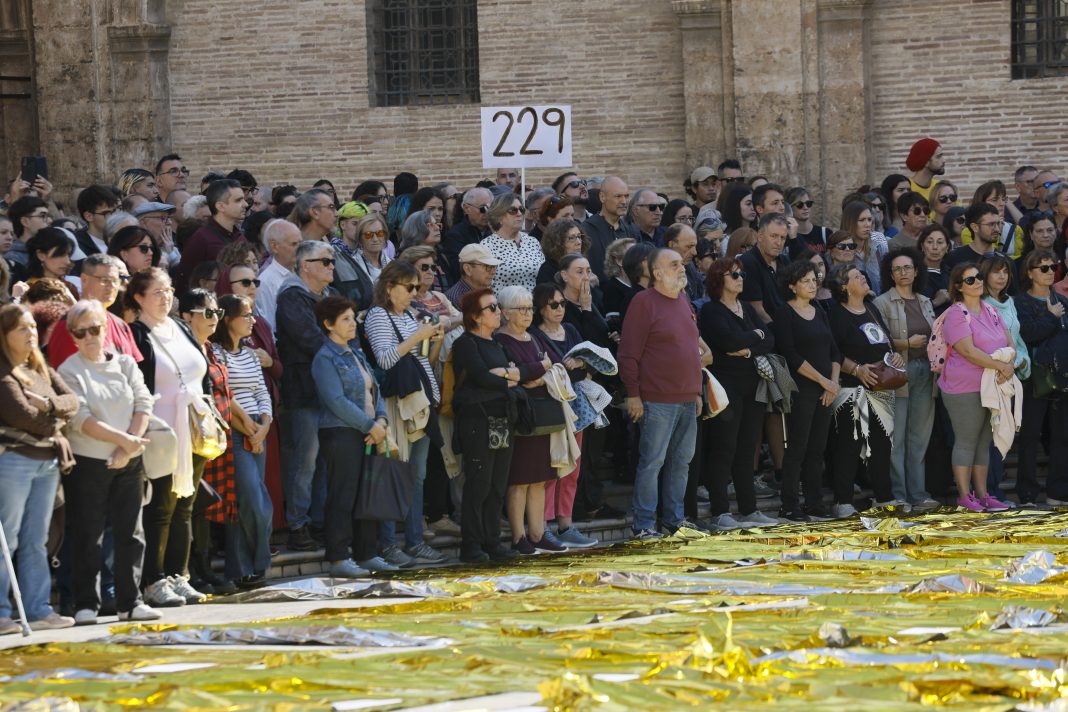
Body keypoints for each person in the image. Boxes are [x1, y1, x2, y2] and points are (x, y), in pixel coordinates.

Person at [57, 300, 159, 624]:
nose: (89, 336)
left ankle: (131, 602)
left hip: (129, 459)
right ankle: (85, 603)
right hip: (88, 461)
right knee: (89, 534)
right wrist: (123, 442)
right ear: (72, 336)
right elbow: (80, 419)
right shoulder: (68, 371)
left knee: (132, 532)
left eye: (95, 328)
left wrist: (127, 447)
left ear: (106, 329)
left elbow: (144, 403)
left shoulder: (126, 363)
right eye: (80, 331)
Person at [126, 268, 210, 607]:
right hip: (160, 431)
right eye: (157, 292)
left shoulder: (179, 327)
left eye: (169, 290)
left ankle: (179, 574)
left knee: (185, 505)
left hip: (191, 429)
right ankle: (154, 580)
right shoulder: (137, 333)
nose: (165, 297)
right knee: (160, 507)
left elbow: (201, 374)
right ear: (139, 297)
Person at [0, 304, 78, 633]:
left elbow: (72, 401)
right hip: (15, 460)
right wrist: (56, 420)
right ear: (4, 335)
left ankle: (37, 608)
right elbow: (20, 415)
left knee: (36, 539)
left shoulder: (39, 366)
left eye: (33, 326)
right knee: (8, 537)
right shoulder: (3, 371)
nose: (31, 333)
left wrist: (49, 406)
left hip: (47, 462)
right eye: (22, 329)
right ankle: (2, 612)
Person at [364, 260, 448, 567]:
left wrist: (433, 341)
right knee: (394, 473)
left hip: (422, 403)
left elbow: (425, 361)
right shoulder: (378, 315)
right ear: (389, 287)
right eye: (409, 287)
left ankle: (414, 541)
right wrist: (417, 336)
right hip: (398, 404)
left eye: (417, 287)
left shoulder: (410, 315)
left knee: (417, 476)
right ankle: (388, 544)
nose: (415, 292)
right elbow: (386, 359)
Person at [619, 248, 704, 538]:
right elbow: (629, 353)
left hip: (687, 399)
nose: (682, 269)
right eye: (675, 264)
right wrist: (633, 394)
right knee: (652, 462)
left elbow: (691, 350)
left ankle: (674, 521)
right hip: (655, 400)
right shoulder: (644, 302)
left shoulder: (683, 300)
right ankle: (643, 525)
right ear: (657, 272)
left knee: (681, 463)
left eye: (682, 264)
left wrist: (697, 392)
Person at [310, 296, 392, 576]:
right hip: (341, 433)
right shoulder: (325, 358)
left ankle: (367, 552)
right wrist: (370, 425)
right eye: (345, 319)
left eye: (352, 317)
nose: (352, 323)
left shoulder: (355, 352)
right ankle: (338, 557)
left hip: (368, 430)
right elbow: (335, 400)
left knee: (366, 494)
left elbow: (375, 390)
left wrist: (380, 419)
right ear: (328, 324)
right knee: (342, 495)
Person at [699, 257, 779, 528]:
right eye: (734, 274)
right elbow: (726, 341)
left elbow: (769, 338)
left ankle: (749, 508)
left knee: (748, 448)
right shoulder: (711, 311)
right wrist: (754, 337)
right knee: (724, 447)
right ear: (719, 279)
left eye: (741, 273)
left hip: (752, 384)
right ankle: (720, 511)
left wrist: (747, 348)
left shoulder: (745, 307)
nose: (740, 277)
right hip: (726, 386)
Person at [493, 286, 567, 554]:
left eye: (529, 308)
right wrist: (539, 369)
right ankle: (518, 536)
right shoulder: (500, 340)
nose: (527, 314)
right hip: (520, 417)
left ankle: (538, 533)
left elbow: (551, 366)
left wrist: (535, 372)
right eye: (521, 309)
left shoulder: (533, 338)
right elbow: (513, 376)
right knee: (519, 480)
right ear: (506, 312)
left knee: (539, 479)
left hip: (542, 415)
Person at [824, 263, 903, 513]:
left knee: (881, 444)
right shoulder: (836, 314)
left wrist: (895, 357)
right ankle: (843, 501)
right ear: (844, 287)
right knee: (849, 443)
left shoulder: (871, 309)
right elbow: (833, 351)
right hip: (850, 389)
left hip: (879, 387)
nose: (863, 277)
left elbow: (886, 342)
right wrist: (857, 369)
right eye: (856, 276)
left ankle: (883, 496)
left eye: (862, 274)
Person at [276, 240, 338, 551]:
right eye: (324, 261)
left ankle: (321, 522)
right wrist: (340, 352)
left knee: (324, 461)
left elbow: (347, 332)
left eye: (332, 261)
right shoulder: (292, 297)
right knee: (306, 462)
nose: (331, 266)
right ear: (305, 266)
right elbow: (310, 338)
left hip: (328, 390)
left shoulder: (328, 297)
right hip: (303, 391)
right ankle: (298, 525)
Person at [451, 288, 521, 563]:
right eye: (491, 308)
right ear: (475, 317)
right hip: (476, 420)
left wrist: (503, 375)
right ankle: (471, 545)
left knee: (497, 485)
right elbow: (481, 376)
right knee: (478, 483)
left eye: (497, 306)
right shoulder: (466, 344)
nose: (498, 311)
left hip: (502, 418)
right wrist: (508, 376)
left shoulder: (498, 344)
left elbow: (521, 373)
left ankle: (493, 542)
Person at [938, 263, 1014, 512]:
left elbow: (1009, 342)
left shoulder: (991, 310)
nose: (977, 282)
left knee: (983, 442)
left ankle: (983, 495)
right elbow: (968, 351)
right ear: (958, 287)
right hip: (963, 387)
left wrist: (1009, 364)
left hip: (990, 384)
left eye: (979, 277)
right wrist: (1000, 367)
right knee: (966, 441)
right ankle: (964, 496)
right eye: (970, 280)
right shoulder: (955, 314)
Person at [210, 295, 273, 588]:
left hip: (258, 430)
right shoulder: (215, 352)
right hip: (234, 430)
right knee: (248, 501)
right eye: (246, 315)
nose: (252, 320)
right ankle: (248, 565)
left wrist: (264, 425)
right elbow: (223, 394)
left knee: (255, 501)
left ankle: (247, 568)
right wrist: (248, 429)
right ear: (228, 319)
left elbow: (262, 390)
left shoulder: (249, 353)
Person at [530, 283, 599, 548]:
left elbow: (589, 358)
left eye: (562, 304)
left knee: (573, 468)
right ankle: (543, 525)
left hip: (576, 408)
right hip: (551, 409)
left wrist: (581, 363)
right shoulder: (535, 335)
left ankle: (565, 524)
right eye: (553, 305)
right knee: (551, 468)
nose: (559, 309)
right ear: (541, 308)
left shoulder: (570, 329)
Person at [773, 260, 842, 521]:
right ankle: (789, 504)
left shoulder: (820, 310)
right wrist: (824, 382)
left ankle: (814, 502)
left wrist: (832, 383)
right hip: (801, 389)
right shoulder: (784, 313)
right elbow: (790, 354)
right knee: (798, 448)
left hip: (826, 389)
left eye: (814, 280)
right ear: (792, 286)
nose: (812, 285)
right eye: (805, 281)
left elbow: (834, 351)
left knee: (817, 448)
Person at [873, 248, 938, 509]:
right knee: (897, 437)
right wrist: (906, 343)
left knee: (919, 436)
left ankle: (919, 494)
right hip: (898, 373)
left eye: (907, 268)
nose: (903, 273)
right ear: (890, 274)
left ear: (916, 271)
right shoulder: (881, 302)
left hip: (926, 371)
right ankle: (899, 494)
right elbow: (879, 341)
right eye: (897, 269)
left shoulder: (925, 301)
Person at [1013, 250, 1068, 506]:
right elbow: (1028, 335)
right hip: (1033, 378)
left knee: (1061, 437)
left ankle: (1058, 492)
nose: (1049, 272)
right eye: (1042, 268)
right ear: (1030, 272)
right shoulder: (1020, 302)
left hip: (1061, 378)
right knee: (1030, 436)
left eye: (1052, 267)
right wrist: (1051, 317)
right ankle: (1027, 493)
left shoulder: (1061, 301)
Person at [175, 179, 247, 292]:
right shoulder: (201, 240)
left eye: (244, 199)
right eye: (238, 200)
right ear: (221, 206)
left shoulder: (240, 237)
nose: (245, 204)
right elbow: (185, 284)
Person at [480, 193, 543, 293]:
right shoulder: (487, 246)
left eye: (521, 209)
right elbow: (483, 285)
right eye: (513, 210)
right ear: (499, 216)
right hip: (504, 306)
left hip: (534, 305)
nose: (519, 214)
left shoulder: (532, 241)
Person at [739, 213, 790, 324]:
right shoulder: (748, 262)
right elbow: (757, 311)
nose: (779, 242)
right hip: (766, 332)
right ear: (760, 236)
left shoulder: (785, 261)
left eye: (783, 238)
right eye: (773, 236)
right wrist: (782, 334)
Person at [255, 219, 302, 333]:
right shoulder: (266, 282)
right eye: (294, 244)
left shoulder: (303, 271)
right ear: (275, 246)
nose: (300, 249)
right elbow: (269, 326)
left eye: (301, 243)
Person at [582, 176, 631, 283]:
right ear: (602, 197)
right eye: (618, 196)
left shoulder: (631, 230)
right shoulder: (585, 231)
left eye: (626, 196)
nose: (624, 201)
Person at [441, 187, 492, 283]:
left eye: (490, 208)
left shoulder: (495, 231)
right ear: (466, 208)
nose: (487, 213)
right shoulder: (455, 236)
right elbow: (459, 270)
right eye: (483, 209)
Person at [841, 201, 886, 293]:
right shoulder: (839, 250)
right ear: (850, 222)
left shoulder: (879, 247)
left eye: (869, 220)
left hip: (879, 304)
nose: (867, 225)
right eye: (862, 220)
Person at [398, 209, 448, 291]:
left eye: (436, 224)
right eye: (430, 225)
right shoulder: (407, 260)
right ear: (416, 229)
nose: (437, 228)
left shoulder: (442, 255)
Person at [444, 243, 500, 310]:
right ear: (467, 269)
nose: (493, 272)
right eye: (487, 266)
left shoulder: (485, 290)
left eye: (494, 266)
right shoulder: (454, 299)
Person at [536, 218, 587, 286]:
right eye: (572, 238)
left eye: (579, 236)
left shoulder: (582, 264)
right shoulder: (547, 271)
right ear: (558, 243)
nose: (579, 242)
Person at [917, 224, 952, 314]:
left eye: (940, 242)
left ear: (947, 247)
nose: (935, 247)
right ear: (922, 246)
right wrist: (935, 302)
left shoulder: (953, 274)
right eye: (929, 242)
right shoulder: (914, 274)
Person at [905, 137, 944, 202]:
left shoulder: (941, 188)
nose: (944, 160)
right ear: (926, 162)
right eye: (938, 157)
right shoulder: (906, 189)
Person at [880, 174, 912, 238]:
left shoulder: (915, 216)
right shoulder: (881, 217)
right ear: (889, 193)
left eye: (908, 190)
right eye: (901, 190)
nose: (906, 193)